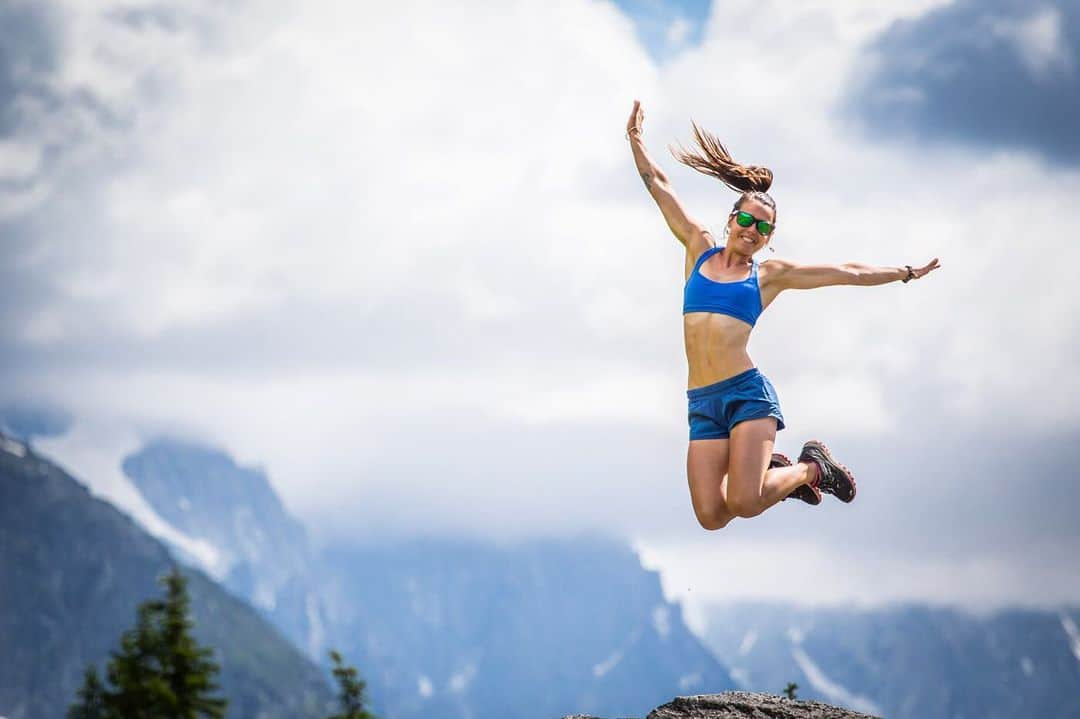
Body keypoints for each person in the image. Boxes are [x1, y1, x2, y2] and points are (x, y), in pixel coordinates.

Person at [625, 99, 940, 530]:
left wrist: (904, 272)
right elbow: (660, 187)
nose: (752, 232)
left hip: (746, 395)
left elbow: (847, 272)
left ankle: (813, 469)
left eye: (763, 228)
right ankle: (771, 469)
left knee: (746, 501)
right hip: (702, 401)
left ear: (769, 236)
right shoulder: (698, 249)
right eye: (747, 221)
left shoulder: (768, 275)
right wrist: (636, 141)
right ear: (731, 219)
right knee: (711, 516)